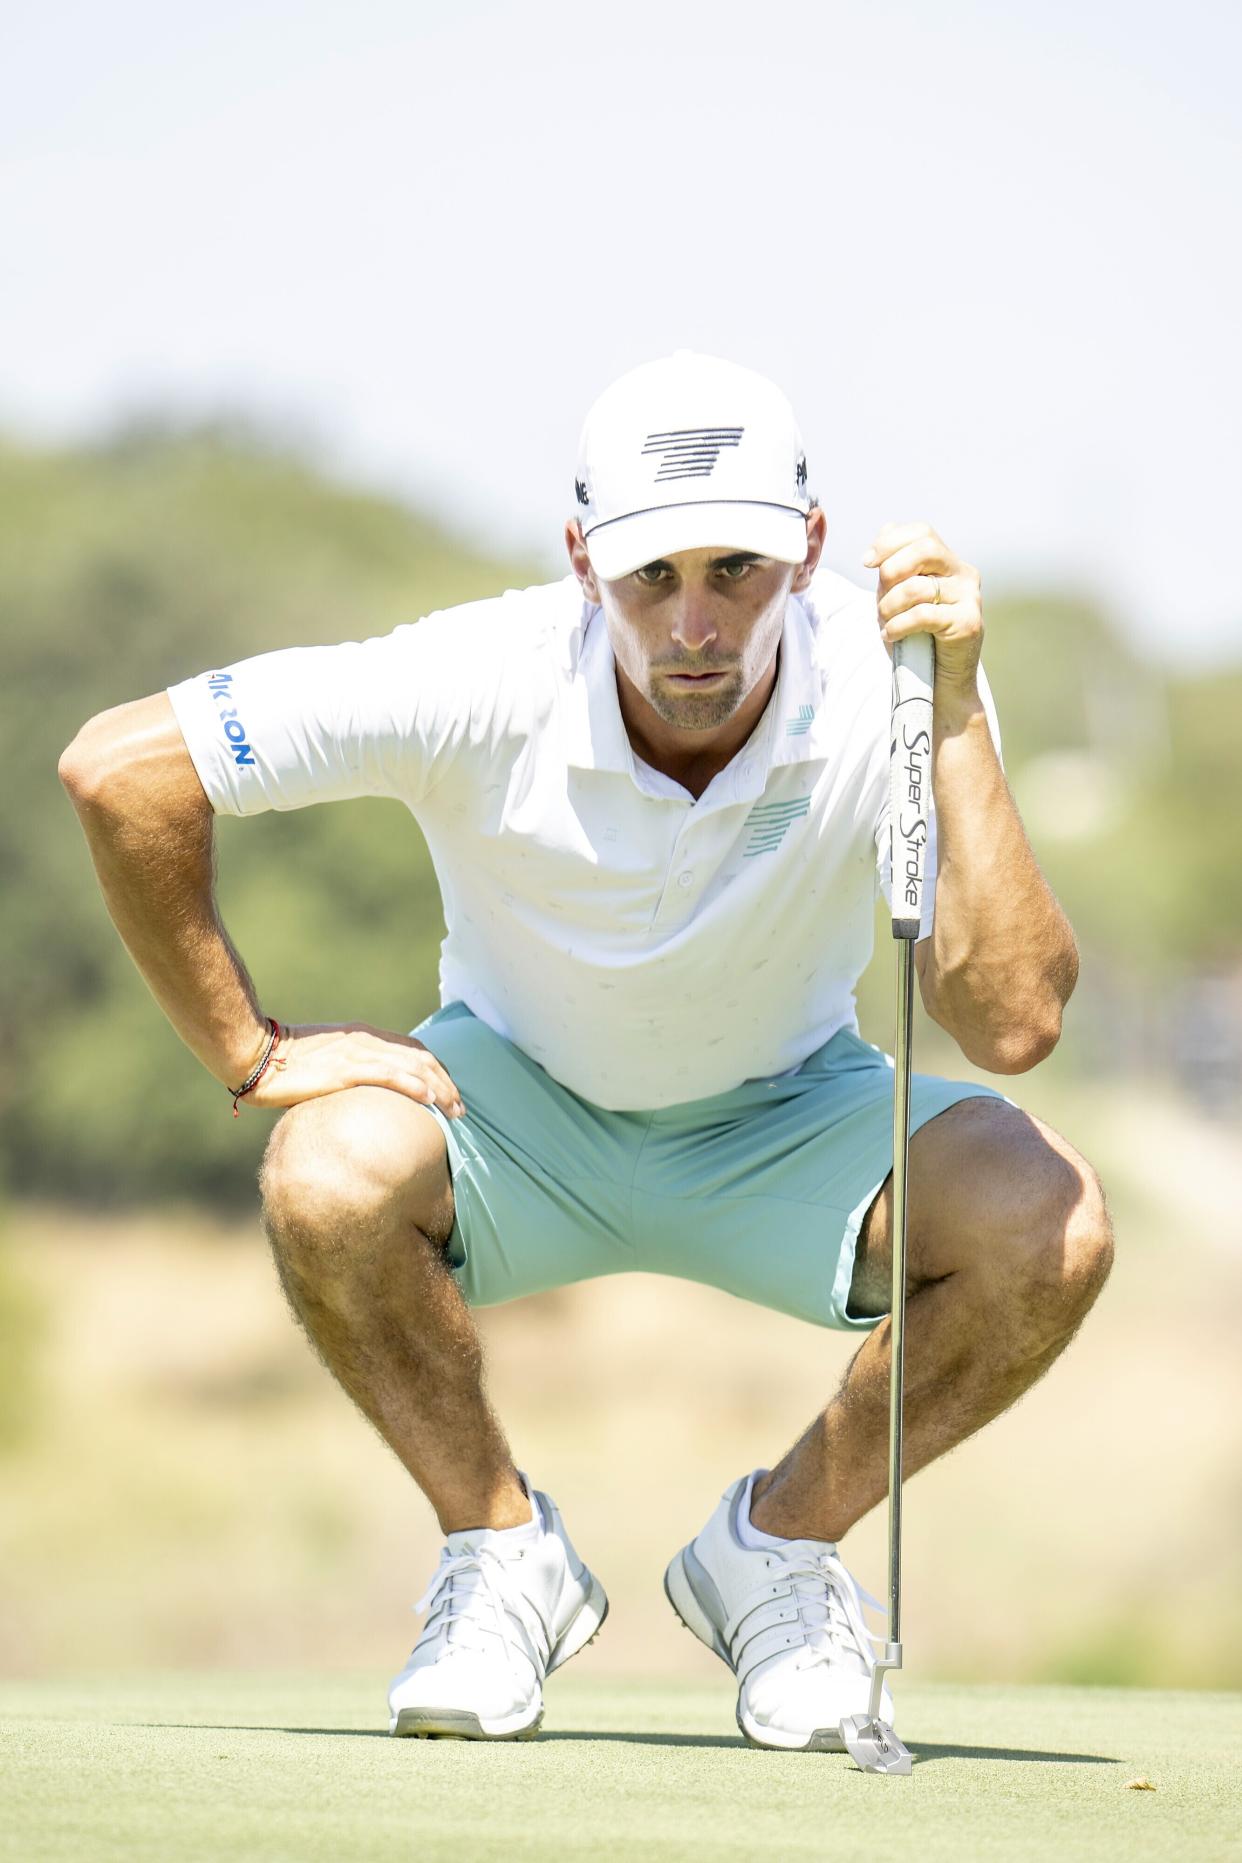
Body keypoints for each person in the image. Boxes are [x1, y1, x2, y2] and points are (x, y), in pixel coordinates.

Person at [58, 351, 1113, 1752]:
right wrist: (247, 1055)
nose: (693, 625)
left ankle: (776, 1554)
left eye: (733, 571)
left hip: (787, 1120)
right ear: (578, 559)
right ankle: (500, 1560)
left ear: (805, 551)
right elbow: (121, 768)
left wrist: (960, 710)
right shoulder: (479, 673)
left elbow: (1012, 1024)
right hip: (513, 1112)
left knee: (1051, 1223)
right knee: (325, 1171)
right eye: (647, 576)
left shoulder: (901, 678)